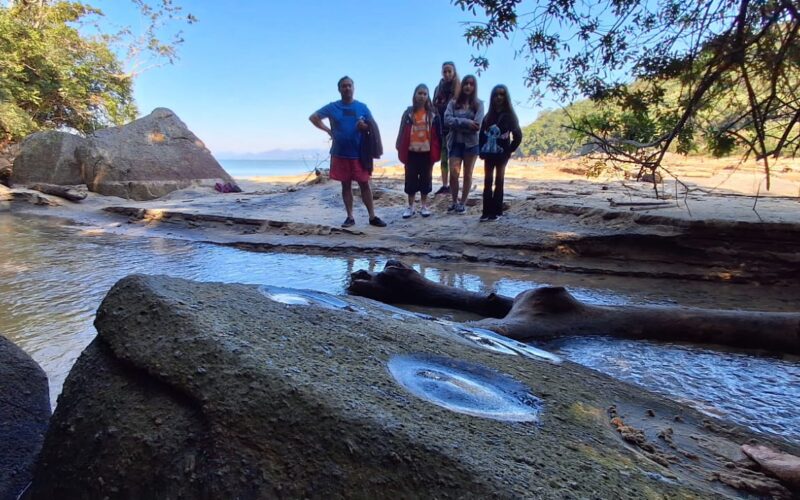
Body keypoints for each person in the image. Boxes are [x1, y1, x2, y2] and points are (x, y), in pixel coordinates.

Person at [309, 76, 386, 228]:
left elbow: (372, 126)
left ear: (354, 88)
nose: (347, 88)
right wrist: (328, 131)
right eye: (344, 86)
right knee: (346, 186)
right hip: (340, 154)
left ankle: (372, 217)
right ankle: (350, 217)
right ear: (339, 89)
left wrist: (365, 126)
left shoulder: (362, 107)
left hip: (359, 154)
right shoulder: (333, 107)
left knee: (365, 184)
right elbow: (313, 117)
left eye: (349, 85)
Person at [395, 84, 442, 218]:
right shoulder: (408, 113)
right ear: (415, 95)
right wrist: (399, 145)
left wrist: (439, 149)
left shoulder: (433, 114)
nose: (422, 96)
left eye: (424, 94)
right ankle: (410, 206)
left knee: (426, 179)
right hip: (411, 152)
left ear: (428, 97)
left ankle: (424, 206)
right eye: (419, 93)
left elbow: (438, 134)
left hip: (427, 152)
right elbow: (402, 129)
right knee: (410, 180)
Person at [479, 84, 523, 222]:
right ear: (492, 97)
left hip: (501, 155)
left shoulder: (510, 116)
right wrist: (481, 150)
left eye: (502, 94)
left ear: (506, 97)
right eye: (496, 94)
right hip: (489, 154)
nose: (498, 97)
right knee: (487, 181)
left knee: (499, 181)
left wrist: (509, 150)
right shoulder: (488, 116)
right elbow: (481, 135)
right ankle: (486, 212)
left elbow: (518, 136)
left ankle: (497, 212)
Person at [444, 74, 483, 214]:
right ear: (462, 86)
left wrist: (457, 122)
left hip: (471, 144)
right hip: (455, 143)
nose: (468, 86)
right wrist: (467, 122)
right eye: (466, 83)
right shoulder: (453, 103)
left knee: (468, 174)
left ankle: (462, 203)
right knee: (454, 174)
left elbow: (477, 125)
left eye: (471, 84)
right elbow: (447, 120)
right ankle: (454, 201)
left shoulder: (479, 104)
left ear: (474, 87)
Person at [432, 62, 460, 196]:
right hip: (441, 127)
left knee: (454, 157)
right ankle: (445, 185)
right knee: (444, 157)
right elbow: (433, 106)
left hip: (455, 128)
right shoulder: (438, 88)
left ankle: (455, 184)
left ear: (454, 72)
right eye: (445, 72)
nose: (447, 74)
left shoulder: (459, 87)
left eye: (450, 71)